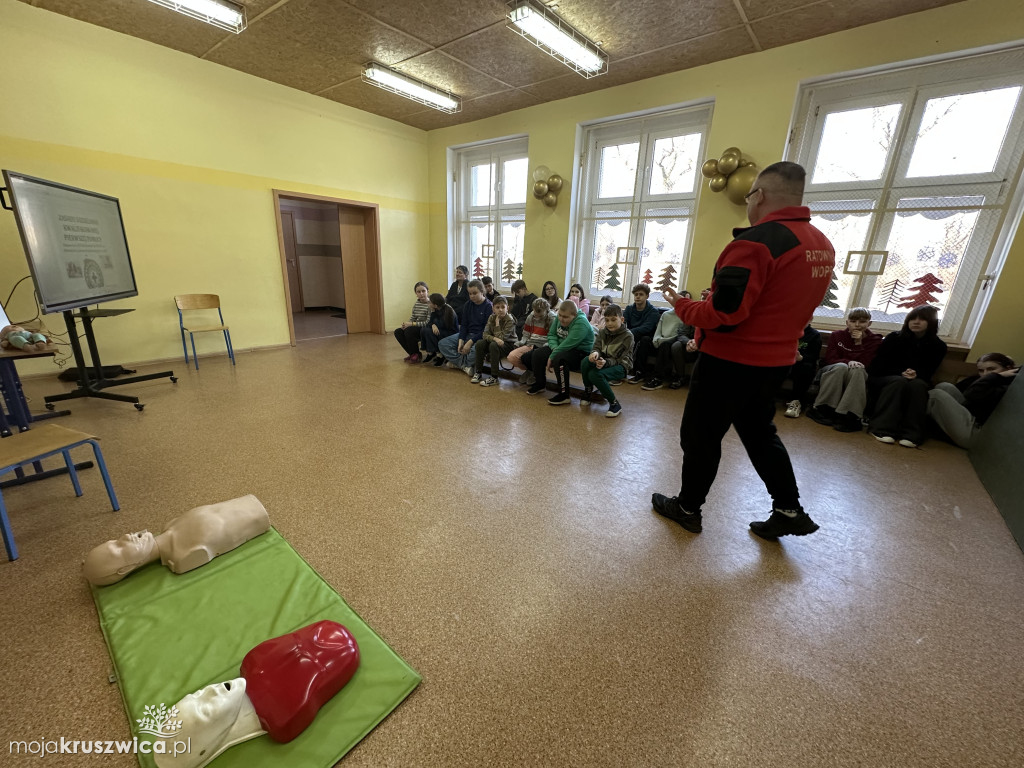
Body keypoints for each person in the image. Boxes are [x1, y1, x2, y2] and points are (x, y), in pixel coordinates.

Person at [653, 161, 835, 539]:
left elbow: (727, 313)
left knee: (700, 437)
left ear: (760, 195)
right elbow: (784, 303)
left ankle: (687, 508)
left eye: (750, 194)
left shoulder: (756, 241)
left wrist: (683, 306)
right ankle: (789, 509)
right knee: (759, 433)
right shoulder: (820, 244)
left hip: (729, 362)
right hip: (774, 363)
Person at [154, 621, 360, 767]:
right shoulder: (286, 717)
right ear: (205, 748)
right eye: (205, 710)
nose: (211, 691)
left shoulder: (254, 660)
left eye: (196, 695)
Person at [83, 496, 270, 585]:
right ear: (125, 568)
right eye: (118, 548)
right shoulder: (184, 557)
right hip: (257, 517)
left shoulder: (170, 526)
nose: (124, 537)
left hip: (246, 504)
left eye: (115, 540)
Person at [867, 305, 947, 448]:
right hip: (884, 378)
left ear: (932, 323)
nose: (916, 322)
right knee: (899, 382)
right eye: (912, 318)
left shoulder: (938, 346)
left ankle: (912, 434)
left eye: (922, 319)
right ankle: (881, 429)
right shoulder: (894, 338)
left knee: (919, 385)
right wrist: (901, 372)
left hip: (916, 380)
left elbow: (929, 371)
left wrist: (916, 374)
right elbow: (878, 366)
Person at [805, 307, 881, 429]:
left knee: (858, 369)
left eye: (862, 321)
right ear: (847, 322)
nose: (857, 325)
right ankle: (823, 408)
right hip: (833, 370)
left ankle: (851, 415)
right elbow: (830, 359)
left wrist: (858, 343)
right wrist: (848, 361)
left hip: (857, 376)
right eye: (853, 321)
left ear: (869, 323)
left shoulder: (875, 340)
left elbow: (865, 364)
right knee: (841, 367)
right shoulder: (837, 335)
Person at [927, 353, 1018, 447]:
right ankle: (928, 428)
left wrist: (993, 377)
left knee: (936, 395)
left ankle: (917, 430)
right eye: (981, 370)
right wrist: (992, 377)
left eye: (992, 369)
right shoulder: (990, 381)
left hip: (980, 436)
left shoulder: (1008, 388)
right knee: (945, 386)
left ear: (1008, 369)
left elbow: (972, 394)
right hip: (971, 421)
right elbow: (964, 391)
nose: (985, 374)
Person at [526, 299, 594, 405]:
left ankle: (564, 395)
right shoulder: (559, 317)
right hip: (560, 347)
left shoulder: (581, 323)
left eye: (565, 317)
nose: (561, 319)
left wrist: (553, 356)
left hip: (580, 351)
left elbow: (569, 343)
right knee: (537, 354)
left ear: (574, 315)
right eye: (560, 315)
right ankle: (540, 384)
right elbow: (551, 334)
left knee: (559, 360)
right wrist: (554, 349)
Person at [580, 303, 633, 417]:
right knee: (585, 361)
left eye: (613, 320)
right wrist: (595, 354)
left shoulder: (628, 336)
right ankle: (588, 391)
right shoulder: (603, 332)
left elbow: (618, 359)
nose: (609, 323)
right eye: (607, 320)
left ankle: (614, 403)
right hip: (604, 360)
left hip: (621, 365)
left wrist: (605, 363)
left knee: (594, 374)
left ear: (622, 319)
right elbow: (597, 347)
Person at [643, 290, 694, 391]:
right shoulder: (666, 314)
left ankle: (658, 378)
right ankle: (640, 372)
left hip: (672, 341)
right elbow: (658, 330)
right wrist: (657, 340)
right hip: (661, 340)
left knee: (666, 345)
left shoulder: (686, 315)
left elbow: (679, 335)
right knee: (645, 340)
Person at [438, 279, 492, 374]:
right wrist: (461, 340)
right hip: (467, 334)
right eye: (470, 294)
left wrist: (470, 342)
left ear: (482, 291)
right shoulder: (468, 304)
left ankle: (458, 363)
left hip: (481, 337)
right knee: (442, 344)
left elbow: (486, 330)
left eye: (474, 293)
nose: (472, 296)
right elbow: (464, 325)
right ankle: (465, 366)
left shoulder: (488, 306)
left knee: (476, 350)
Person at [507, 297, 554, 385]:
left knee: (533, 356)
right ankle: (530, 370)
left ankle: (535, 373)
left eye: (539, 312)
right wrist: (522, 342)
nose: (535, 314)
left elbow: (553, 337)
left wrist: (546, 345)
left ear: (546, 310)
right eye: (534, 311)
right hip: (531, 343)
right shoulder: (531, 316)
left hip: (544, 346)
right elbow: (526, 333)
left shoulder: (552, 318)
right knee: (512, 357)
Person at [474, 296, 517, 386]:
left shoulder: (510, 320)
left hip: (509, 344)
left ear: (507, 308)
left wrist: (497, 325)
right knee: (480, 343)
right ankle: (478, 372)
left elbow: (502, 338)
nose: (500, 310)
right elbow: (485, 334)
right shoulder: (491, 317)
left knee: (493, 345)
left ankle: (494, 377)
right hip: (495, 341)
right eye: (497, 307)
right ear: (493, 308)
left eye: (503, 307)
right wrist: (494, 338)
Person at [781, 324, 822, 418]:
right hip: (784, 363)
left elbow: (814, 357)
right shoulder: (787, 330)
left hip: (801, 365)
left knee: (805, 368)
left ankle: (796, 402)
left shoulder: (814, 335)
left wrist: (801, 358)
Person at [624, 284, 661, 384]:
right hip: (631, 335)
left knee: (643, 340)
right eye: (636, 294)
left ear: (647, 296)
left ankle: (639, 372)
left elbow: (647, 328)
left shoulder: (653, 311)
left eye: (641, 294)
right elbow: (622, 322)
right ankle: (618, 368)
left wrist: (628, 333)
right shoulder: (629, 309)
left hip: (647, 338)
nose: (638, 296)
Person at [393, 281, 430, 363]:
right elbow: (413, 317)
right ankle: (414, 354)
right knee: (398, 331)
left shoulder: (431, 304)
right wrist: (406, 324)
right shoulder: (417, 304)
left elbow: (427, 322)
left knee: (410, 330)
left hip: (425, 328)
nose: (421, 294)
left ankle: (415, 354)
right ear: (416, 293)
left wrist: (411, 324)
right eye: (418, 292)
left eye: (423, 291)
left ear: (427, 291)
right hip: (416, 326)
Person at [422, 293, 459, 365]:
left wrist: (434, 324)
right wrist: (433, 325)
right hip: (442, 330)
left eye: (430, 302)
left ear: (435, 305)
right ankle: (431, 352)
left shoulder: (448, 310)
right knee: (424, 329)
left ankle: (440, 355)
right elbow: (430, 323)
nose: (428, 303)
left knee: (429, 331)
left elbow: (444, 325)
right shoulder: (436, 309)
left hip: (450, 333)